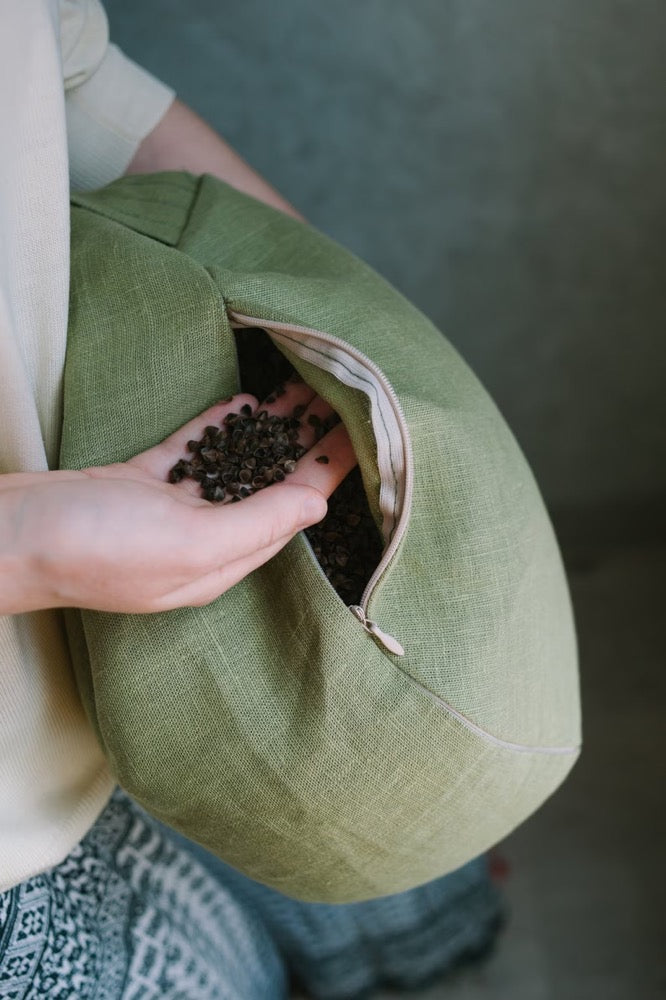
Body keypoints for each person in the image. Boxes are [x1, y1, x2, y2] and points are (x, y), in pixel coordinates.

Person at [0, 3, 504, 997]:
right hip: (15, 827)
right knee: (219, 963)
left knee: (360, 818)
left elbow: (61, 68)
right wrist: (28, 546)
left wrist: (343, 316)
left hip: (112, 484)